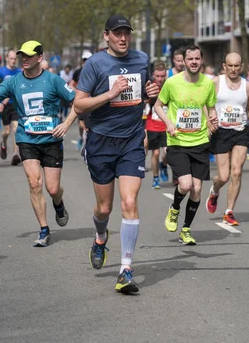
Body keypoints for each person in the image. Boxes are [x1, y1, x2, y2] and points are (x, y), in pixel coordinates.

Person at [73, 15, 159, 294]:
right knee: (104, 209)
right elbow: (79, 104)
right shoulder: (95, 64)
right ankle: (100, 237)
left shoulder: (141, 59)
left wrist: (152, 93)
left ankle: (125, 270)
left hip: (132, 141)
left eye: (127, 33)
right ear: (106, 35)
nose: (123, 38)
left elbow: (146, 96)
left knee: (129, 201)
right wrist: (109, 95)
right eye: (117, 33)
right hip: (100, 141)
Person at [0, 40, 76, 246]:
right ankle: (44, 229)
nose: (24, 59)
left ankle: (58, 203)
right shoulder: (13, 82)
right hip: (27, 139)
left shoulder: (53, 80)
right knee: (35, 184)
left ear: (40, 57)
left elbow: (77, 102)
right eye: (21, 55)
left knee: (53, 189)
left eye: (28, 55)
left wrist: (66, 124)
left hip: (51, 139)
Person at [155, 44, 218, 245]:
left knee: (197, 189)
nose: (193, 62)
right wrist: (169, 123)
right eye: (190, 59)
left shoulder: (207, 84)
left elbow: (211, 108)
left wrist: (213, 121)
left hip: (200, 142)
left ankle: (186, 229)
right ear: (183, 61)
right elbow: (158, 106)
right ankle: (174, 208)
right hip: (178, 142)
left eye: (197, 59)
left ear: (201, 60)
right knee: (185, 184)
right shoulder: (172, 83)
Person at [205, 52, 249, 226]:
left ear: (241, 66)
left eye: (237, 65)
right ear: (224, 66)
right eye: (230, 65)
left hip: (240, 131)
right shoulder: (215, 82)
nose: (233, 69)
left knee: (237, 172)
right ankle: (215, 190)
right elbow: (204, 102)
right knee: (224, 176)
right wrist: (208, 118)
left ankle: (229, 212)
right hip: (221, 132)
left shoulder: (248, 86)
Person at [0, 49, 22, 165]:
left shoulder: (19, 72)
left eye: (15, 59)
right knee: (7, 131)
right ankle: (3, 142)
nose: (13, 61)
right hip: (4, 105)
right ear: (6, 58)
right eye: (11, 58)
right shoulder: (0, 72)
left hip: (15, 104)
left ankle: (16, 154)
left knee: (16, 129)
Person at [145, 61, 169, 189]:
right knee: (154, 153)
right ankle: (155, 177)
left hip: (166, 126)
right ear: (153, 75)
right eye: (157, 76)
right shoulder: (150, 88)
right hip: (152, 125)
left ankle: (163, 165)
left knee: (168, 153)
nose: (160, 79)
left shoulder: (170, 86)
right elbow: (143, 104)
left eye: (162, 76)